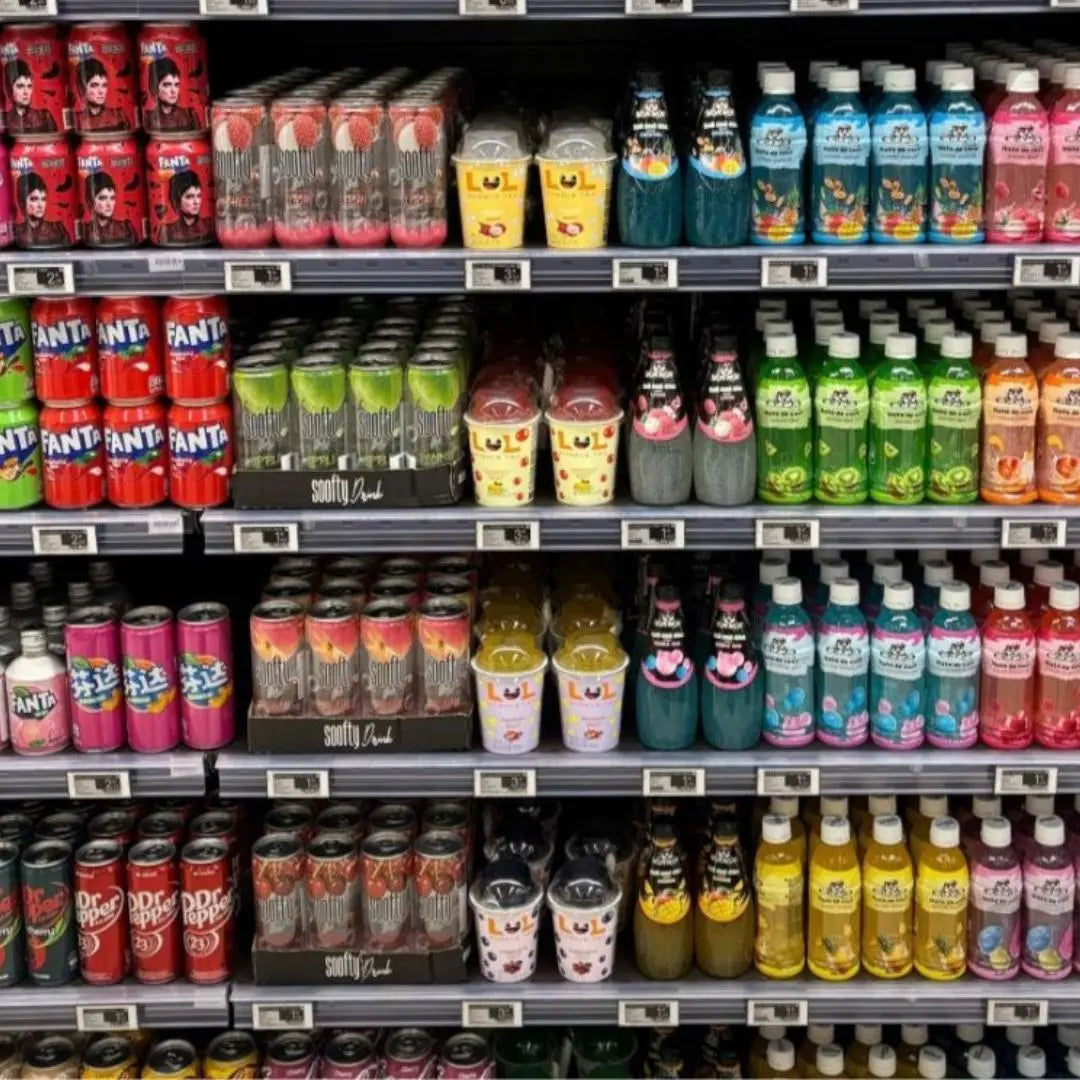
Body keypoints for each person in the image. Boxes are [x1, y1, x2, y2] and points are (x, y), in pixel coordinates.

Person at [143, 57, 199, 134]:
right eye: (167, 85)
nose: (173, 90)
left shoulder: (189, 115)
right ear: (154, 87)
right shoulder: (148, 117)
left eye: (176, 85)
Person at [15, 172, 70, 248]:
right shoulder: (17, 230)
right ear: (22, 202)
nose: (40, 205)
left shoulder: (57, 228)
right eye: (34, 199)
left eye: (43, 199)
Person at [4, 60, 58, 136]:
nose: (26, 92)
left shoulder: (45, 116)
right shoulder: (5, 119)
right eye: (20, 86)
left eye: (29, 86)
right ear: (9, 88)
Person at [75, 58, 129, 133]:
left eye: (104, 85)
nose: (101, 91)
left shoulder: (119, 116)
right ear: (82, 88)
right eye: (94, 85)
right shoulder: (78, 119)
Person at [84, 172, 137, 247]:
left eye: (112, 198)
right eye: (103, 198)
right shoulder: (85, 230)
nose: (109, 204)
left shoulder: (126, 228)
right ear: (91, 201)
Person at [159, 169, 209, 246]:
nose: (196, 202)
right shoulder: (167, 230)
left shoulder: (208, 225)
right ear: (178, 200)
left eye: (198, 196)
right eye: (189, 197)